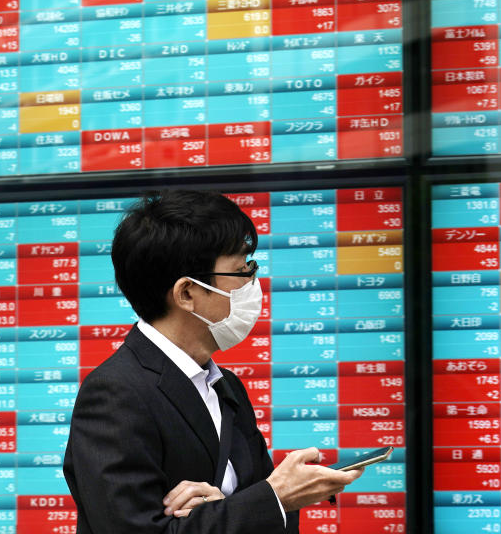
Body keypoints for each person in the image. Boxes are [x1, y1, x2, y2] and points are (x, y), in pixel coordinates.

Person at [63, 189, 361, 533]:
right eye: (241, 271)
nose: (253, 283)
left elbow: (263, 516)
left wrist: (236, 506)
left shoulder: (224, 386)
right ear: (187, 293)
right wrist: (276, 496)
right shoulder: (116, 393)